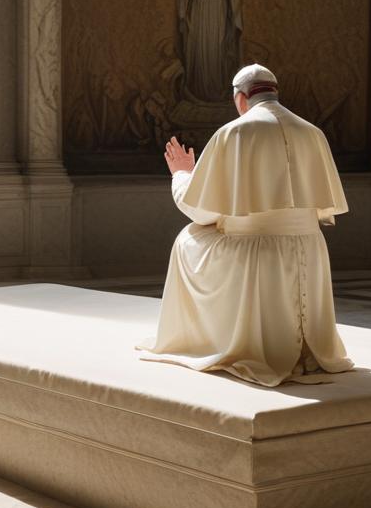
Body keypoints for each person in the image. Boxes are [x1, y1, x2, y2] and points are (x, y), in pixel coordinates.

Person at [138, 64, 354, 386]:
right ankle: (309, 351)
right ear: (274, 91)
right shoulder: (312, 132)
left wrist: (182, 174)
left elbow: (201, 213)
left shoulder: (234, 133)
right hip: (310, 246)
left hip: (255, 250)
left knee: (188, 238)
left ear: (240, 99)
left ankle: (206, 338)